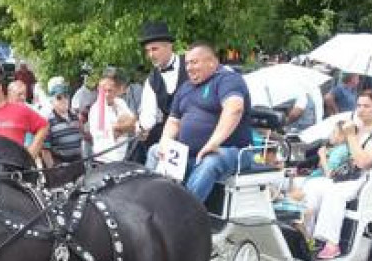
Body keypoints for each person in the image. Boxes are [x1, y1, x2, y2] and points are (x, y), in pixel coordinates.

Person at [145, 42, 255, 202]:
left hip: (232, 151)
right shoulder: (185, 88)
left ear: (212, 62)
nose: (189, 67)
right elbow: (174, 121)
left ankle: (185, 217)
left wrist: (213, 143)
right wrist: (165, 141)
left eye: (194, 62)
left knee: (210, 162)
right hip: (190, 154)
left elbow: (234, 109)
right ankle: (149, 205)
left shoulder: (228, 79)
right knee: (155, 150)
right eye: (187, 63)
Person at [303, 91, 372, 259]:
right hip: (349, 176)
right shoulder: (357, 129)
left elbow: (363, 162)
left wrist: (351, 136)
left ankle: (332, 243)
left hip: (369, 180)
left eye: (367, 106)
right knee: (313, 185)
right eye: (359, 105)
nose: (361, 109)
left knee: (335, 192)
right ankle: (308, 235)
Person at [138, 21, 188, 164]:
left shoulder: (191, 65)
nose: (150, 55)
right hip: (171, 138)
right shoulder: (151, 80)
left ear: (169, 46)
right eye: (147, 51)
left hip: (195, 132)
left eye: (154, 49)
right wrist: (141, 128)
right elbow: (148, 116)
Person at [88, 68, 136, 163]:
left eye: (109, 90)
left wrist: (120, 127)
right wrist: (125, 126)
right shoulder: (97, 109)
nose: (106, 94)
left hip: (122, 160)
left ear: (116, 90)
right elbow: (112, 135)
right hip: (103, 163)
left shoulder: (120, 103)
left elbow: (134, 123)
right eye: (103, 90)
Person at [43, 83, 85, 166]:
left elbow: (81, 137)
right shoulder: (48, 121)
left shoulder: (75, 117)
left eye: (66, 96)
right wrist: (53, 168)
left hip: (78, 163)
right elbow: (45, 149)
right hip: (61, 166)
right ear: (52, 101)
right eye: (59, 98)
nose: (64, 100)